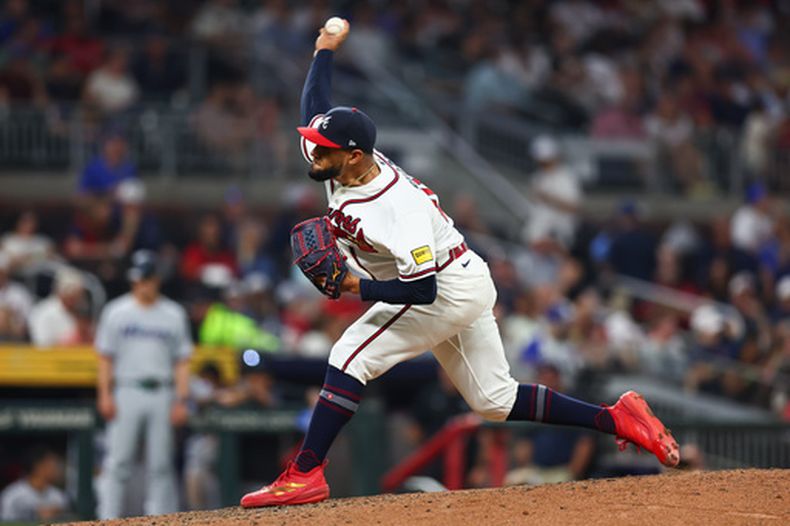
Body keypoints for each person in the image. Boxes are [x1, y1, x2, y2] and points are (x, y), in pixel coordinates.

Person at [240, 20, 679, 508]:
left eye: (323, 148)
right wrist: (323, 51)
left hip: (443, 285)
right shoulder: (338, 156)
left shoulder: (394, 209)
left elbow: (423, 291)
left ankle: (306, 474)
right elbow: (315, 107)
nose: (312, 151)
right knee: (495, 401)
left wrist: (352, 286)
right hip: (464, 277)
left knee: (348, 357)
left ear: (355, 155)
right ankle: (617, 418)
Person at [95, 250, 193, 518]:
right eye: (138, 279)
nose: (142, 284)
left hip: (162, 390)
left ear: (156, 279)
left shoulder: (173, 314)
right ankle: (108, 518)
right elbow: (105, 358)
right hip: (126, 389)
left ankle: (159, 519)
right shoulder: (116, 311)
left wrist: (182, 399)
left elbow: (182, 361)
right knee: (118, 462)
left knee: (160, 464)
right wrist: (104, 394)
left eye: (147, 279)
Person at [0, 446, 70, 522]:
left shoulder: (59, 496)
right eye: (52, 465)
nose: (57, 469)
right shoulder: (12, 494)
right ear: (38, 466)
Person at [28, 267, 86, 346]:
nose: (79, 299)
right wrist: (71, 339)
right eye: (76, 295)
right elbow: (43, 345)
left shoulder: (78, 311)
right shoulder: (43, 312)